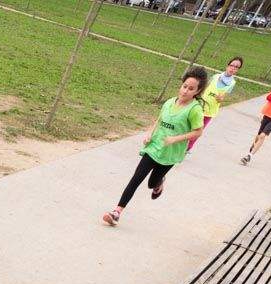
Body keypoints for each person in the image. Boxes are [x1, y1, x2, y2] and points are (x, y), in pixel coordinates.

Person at [102, 66, 207, 226]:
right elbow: (159, 120)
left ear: (197, 92)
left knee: (152, 183)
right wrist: (150, 133)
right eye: (184, 86)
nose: (185, 91)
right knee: (136, 179)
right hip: (154, 147)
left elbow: (198, 132)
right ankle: (116, 212)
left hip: (170, 154)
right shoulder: (170, 102)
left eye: (191, 88)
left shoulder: (195, 110)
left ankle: (159, 183)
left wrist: (175, 139)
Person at [189, 56, 242, 152]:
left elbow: (223, 96)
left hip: (210, 111)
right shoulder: (215, 77)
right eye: (232, 65)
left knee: (198, 131)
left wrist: (220, 99)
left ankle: (187, 148)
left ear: (238, 70)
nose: (233, 68)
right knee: (188, 126)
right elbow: (203, 88)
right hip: (199, 106)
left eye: (236, 67)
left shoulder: (232, 83)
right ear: (227, 66)